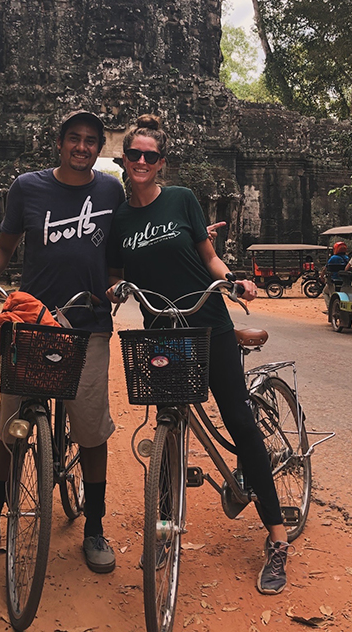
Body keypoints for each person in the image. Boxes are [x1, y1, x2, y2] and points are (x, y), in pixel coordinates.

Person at [106, 114, 291, 596]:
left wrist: (232, 279)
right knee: (169, 419)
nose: (142, 161)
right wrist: (111, 289)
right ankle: (164, 527)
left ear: (160, 162)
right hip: (160, 329)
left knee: (238, 421)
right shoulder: (120, 219)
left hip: (209, 322)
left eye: (150, 155)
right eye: (134, 154)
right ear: (123, 160)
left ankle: (276, 538)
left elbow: (208, 256)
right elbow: (112, 273)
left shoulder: (182, 199)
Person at [0, 110, 125, 574]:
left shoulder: (112, 190)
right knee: (12, 427)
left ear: (99, 148)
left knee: (90, 431)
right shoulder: (27, 188)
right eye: (75, 138)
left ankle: (94, 529)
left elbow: (118, 253)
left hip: (88, 325)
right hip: (32, 321)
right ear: (59, 142)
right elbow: (4, 246)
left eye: (92, 140)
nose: (83, 147)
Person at [321, 241, 349, 309]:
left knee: (325, 292)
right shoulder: (347, 258)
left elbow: (325, 268)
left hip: (333, 280)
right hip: (344, 281)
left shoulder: (333, 258)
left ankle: (330, 308)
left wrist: (322, 276)